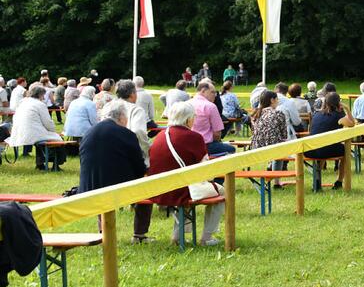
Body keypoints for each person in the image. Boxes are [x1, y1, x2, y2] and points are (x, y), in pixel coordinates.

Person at [147, 101, 224, 246]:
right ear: (189, 120)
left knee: (187, 185)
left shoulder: (160, 136)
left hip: (158, 189)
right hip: (180, 190)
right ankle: (206, 237)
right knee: (222, 192)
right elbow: (206, 171)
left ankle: (178, 236)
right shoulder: (194, 137)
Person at [78, 99, 154, 243]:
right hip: (116, 188)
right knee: (146, 191)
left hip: (88, 187)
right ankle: (139, 235)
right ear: (121, 117)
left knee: (102, 184)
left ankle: (103, 232)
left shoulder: (89, 132)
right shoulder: (126, 134)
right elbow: (139, 166)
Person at [305, 91, 356, 190]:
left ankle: (317, 177)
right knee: (346, 150)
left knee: (324, 144)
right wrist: (347, 109)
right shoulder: (339, 116)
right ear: (339, 103)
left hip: (310, 150)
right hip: (326, 150)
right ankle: (339, 181)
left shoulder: (316, 114)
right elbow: (352, 123)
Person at [10, 84, 63, 168]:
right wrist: (54, 131)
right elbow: (48, 123)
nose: (44, 98)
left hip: (19, 132)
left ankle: (40, 164)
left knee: (40, 139)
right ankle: (56, 165)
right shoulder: (40, 104)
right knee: (59, 140)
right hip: (31, 132)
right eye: (43, 95)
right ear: (40, 94)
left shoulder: (22, 103)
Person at [191, 79, 235, 157]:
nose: (215, 95)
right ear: (203, 91)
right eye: (212, 92)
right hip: (205, 145)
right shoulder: (210, 106)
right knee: (232, 149)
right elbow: (217, 134)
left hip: (188, 145)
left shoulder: (187, 103)